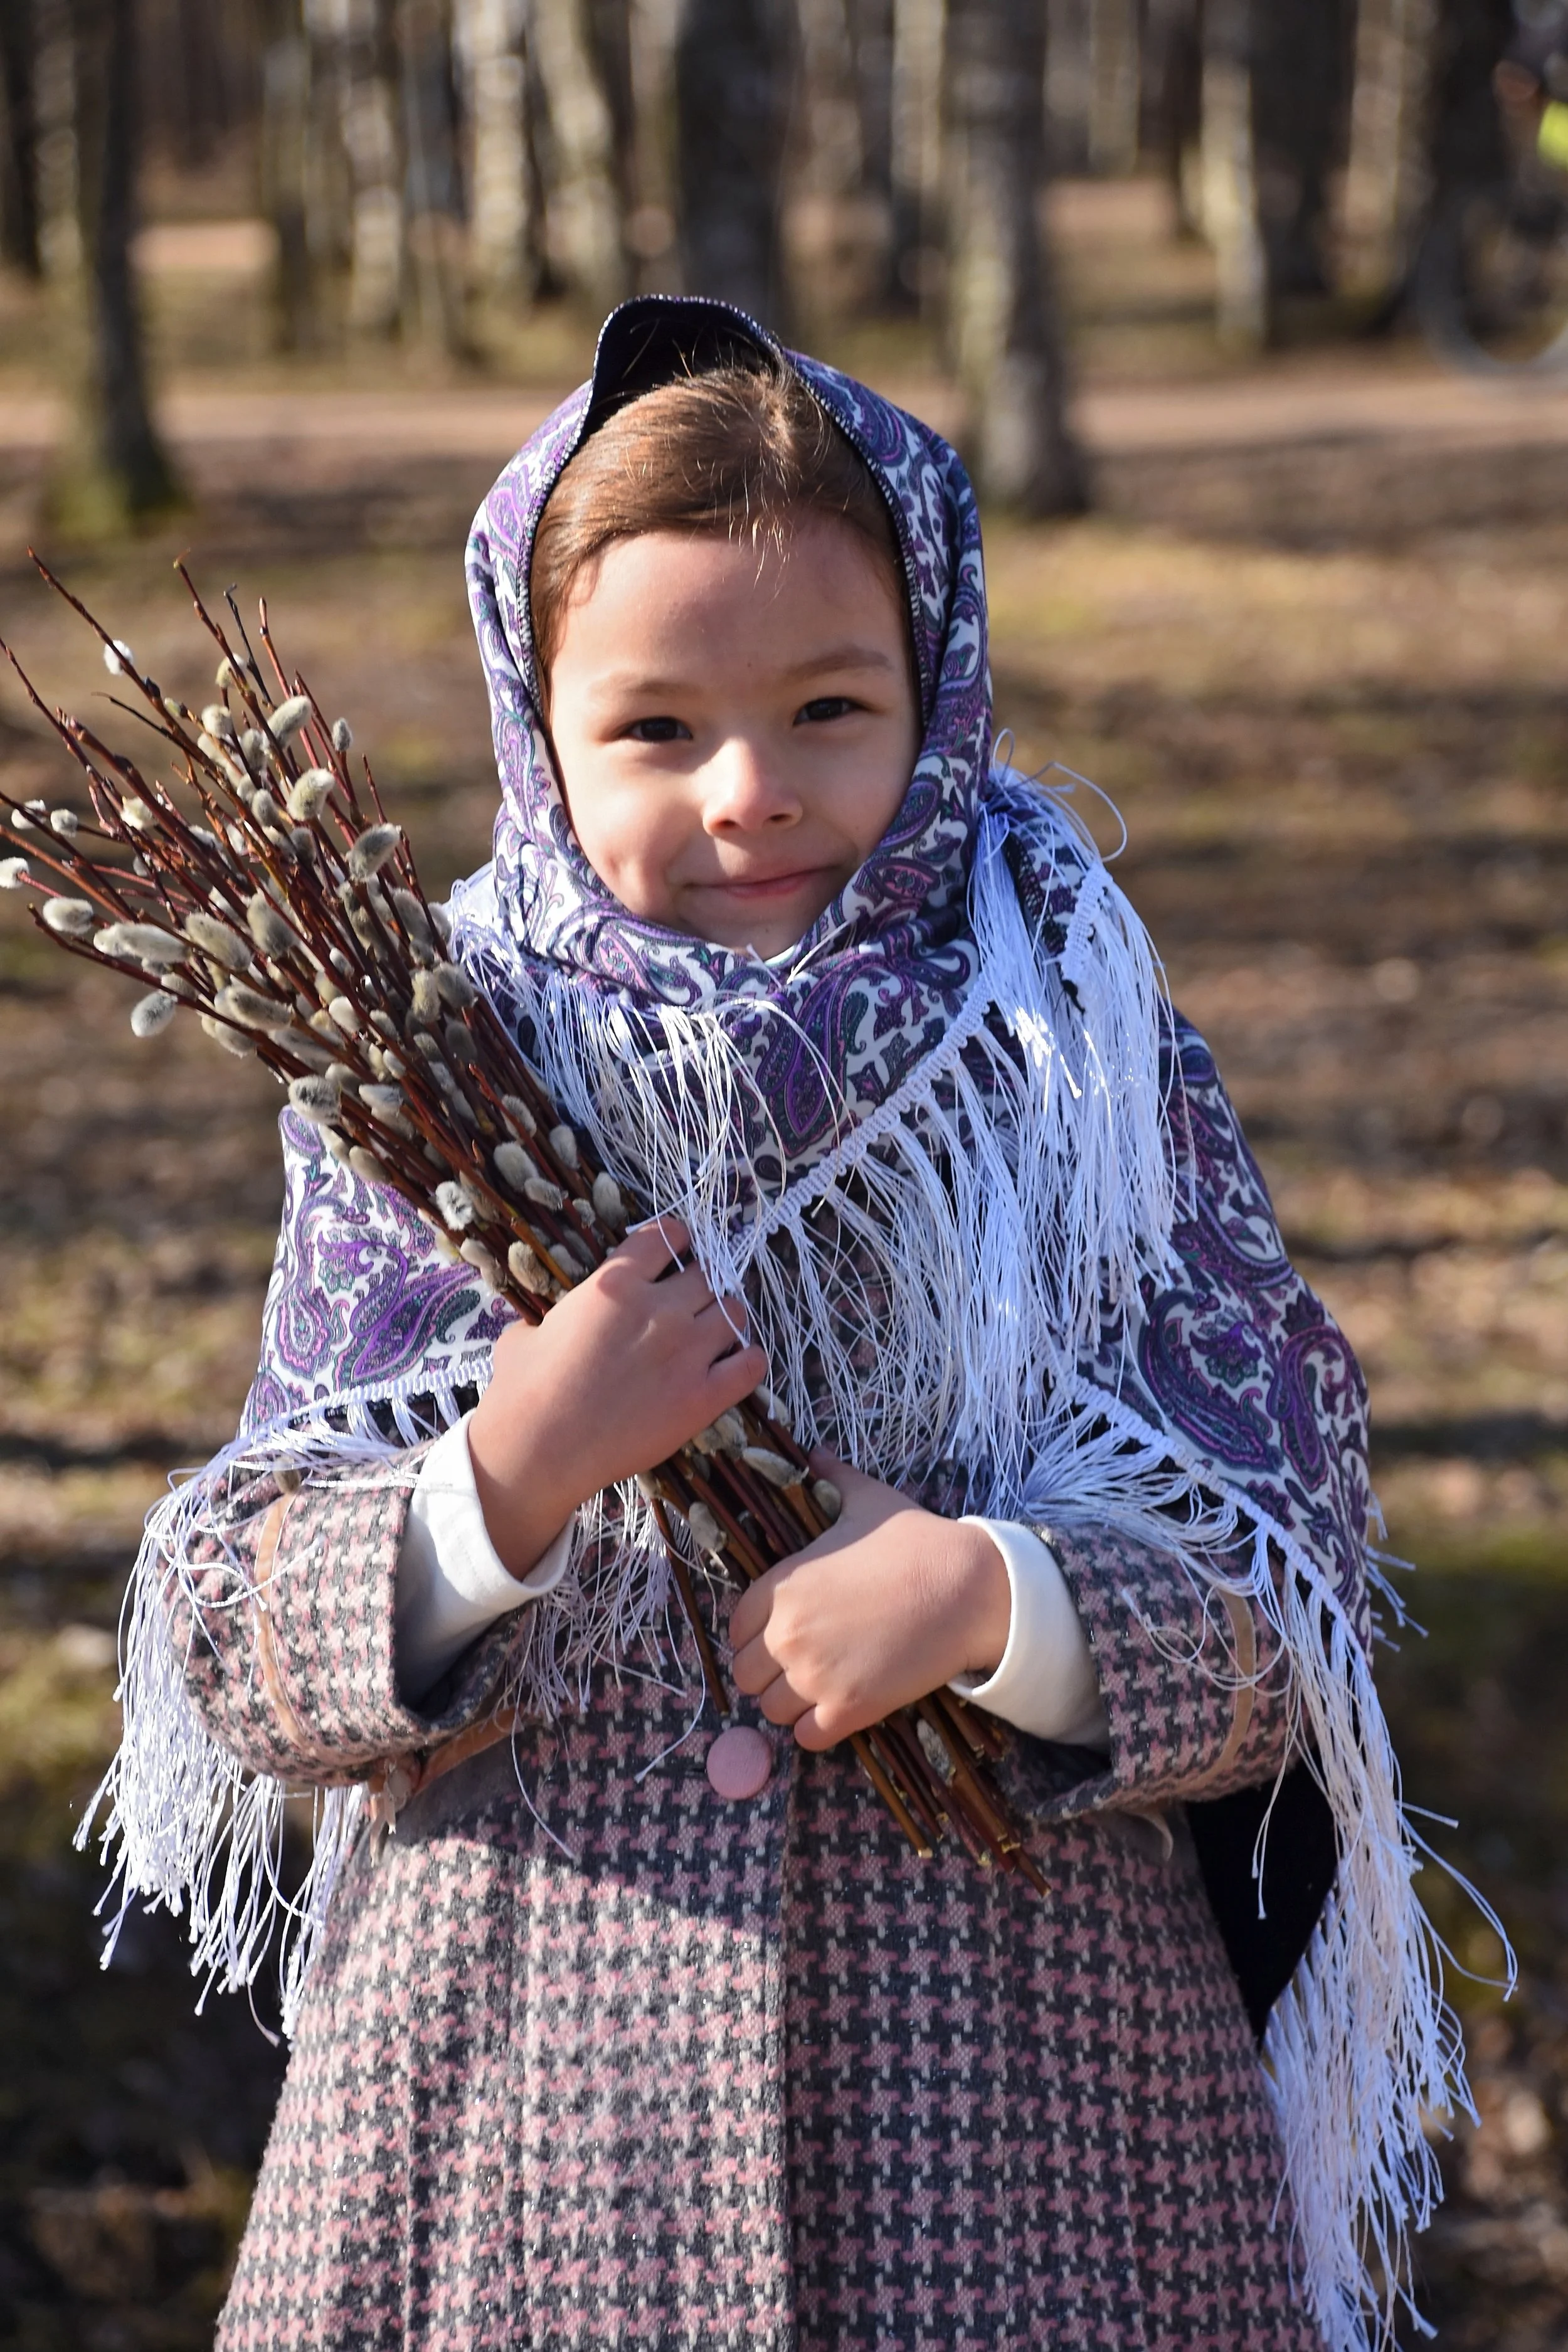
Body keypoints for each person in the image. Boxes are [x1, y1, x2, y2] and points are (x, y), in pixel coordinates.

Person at [92, 299, 1466, 2351]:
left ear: (936, 690)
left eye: (829, 706)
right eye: (655, 727)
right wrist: (501, 1481)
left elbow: (1284, 1592)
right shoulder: (429, 1077)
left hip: (1033, 2152)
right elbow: (230, 1625)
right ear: (533, 729)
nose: (749, 793)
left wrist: (997, 1595)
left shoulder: (1075, 1053)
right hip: (517, 2145)